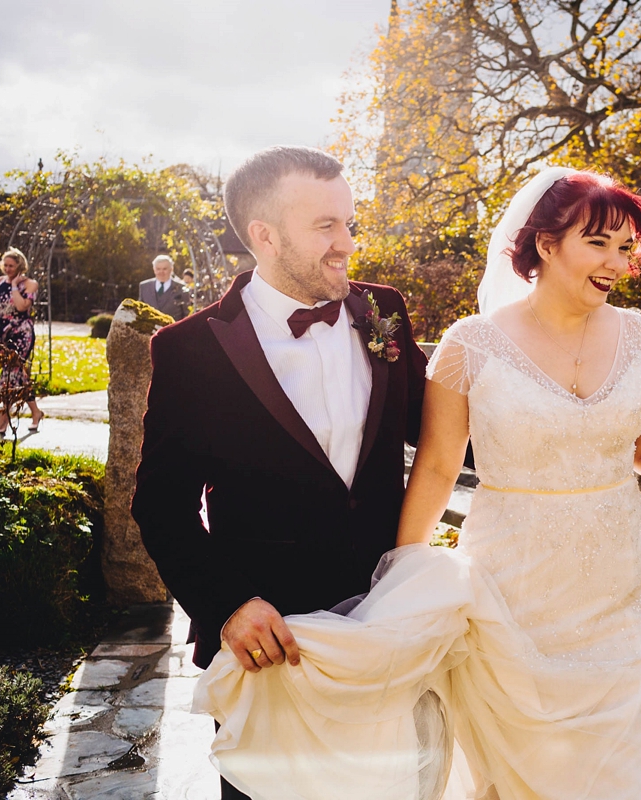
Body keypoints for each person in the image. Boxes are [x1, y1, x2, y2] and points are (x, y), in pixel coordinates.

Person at [191, 168, 641, 800]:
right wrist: (403, 573)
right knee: (516, 757)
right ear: (546, 245)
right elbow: (439, 467)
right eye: (598, 243)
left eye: (626, 246)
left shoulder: (640, 335)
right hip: (511, 586)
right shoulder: (471, 344)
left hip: (620, 584)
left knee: (620, 758)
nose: (617, 262)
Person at [130, 146, 429, 800]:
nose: (348, 243)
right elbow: (161, 505)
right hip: (269, 647)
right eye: (327, 226)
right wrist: (226, 605)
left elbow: (433, 430)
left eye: (349, 223)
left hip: (384, 630)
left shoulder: (383, 314)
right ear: (263, 236)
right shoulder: (191, 351)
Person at [0, 247, 43, 438]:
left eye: (11, 265)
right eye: (6, 265)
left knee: (10, 374)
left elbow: (21, 306)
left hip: (22, 335)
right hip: (4, 334)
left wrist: (13, 286)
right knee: (19, 376)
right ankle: (36, 412)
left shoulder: (30, 284)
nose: (8, 269)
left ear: (20, 265)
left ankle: (2, 421)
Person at [137, 254, 191, 320]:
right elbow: (139, 310)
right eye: (158, 269)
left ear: (171, 269)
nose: (161, 272)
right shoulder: (144, 287)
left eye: (165, 269)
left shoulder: (182, 288)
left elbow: (187, 315)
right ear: (154, 270)